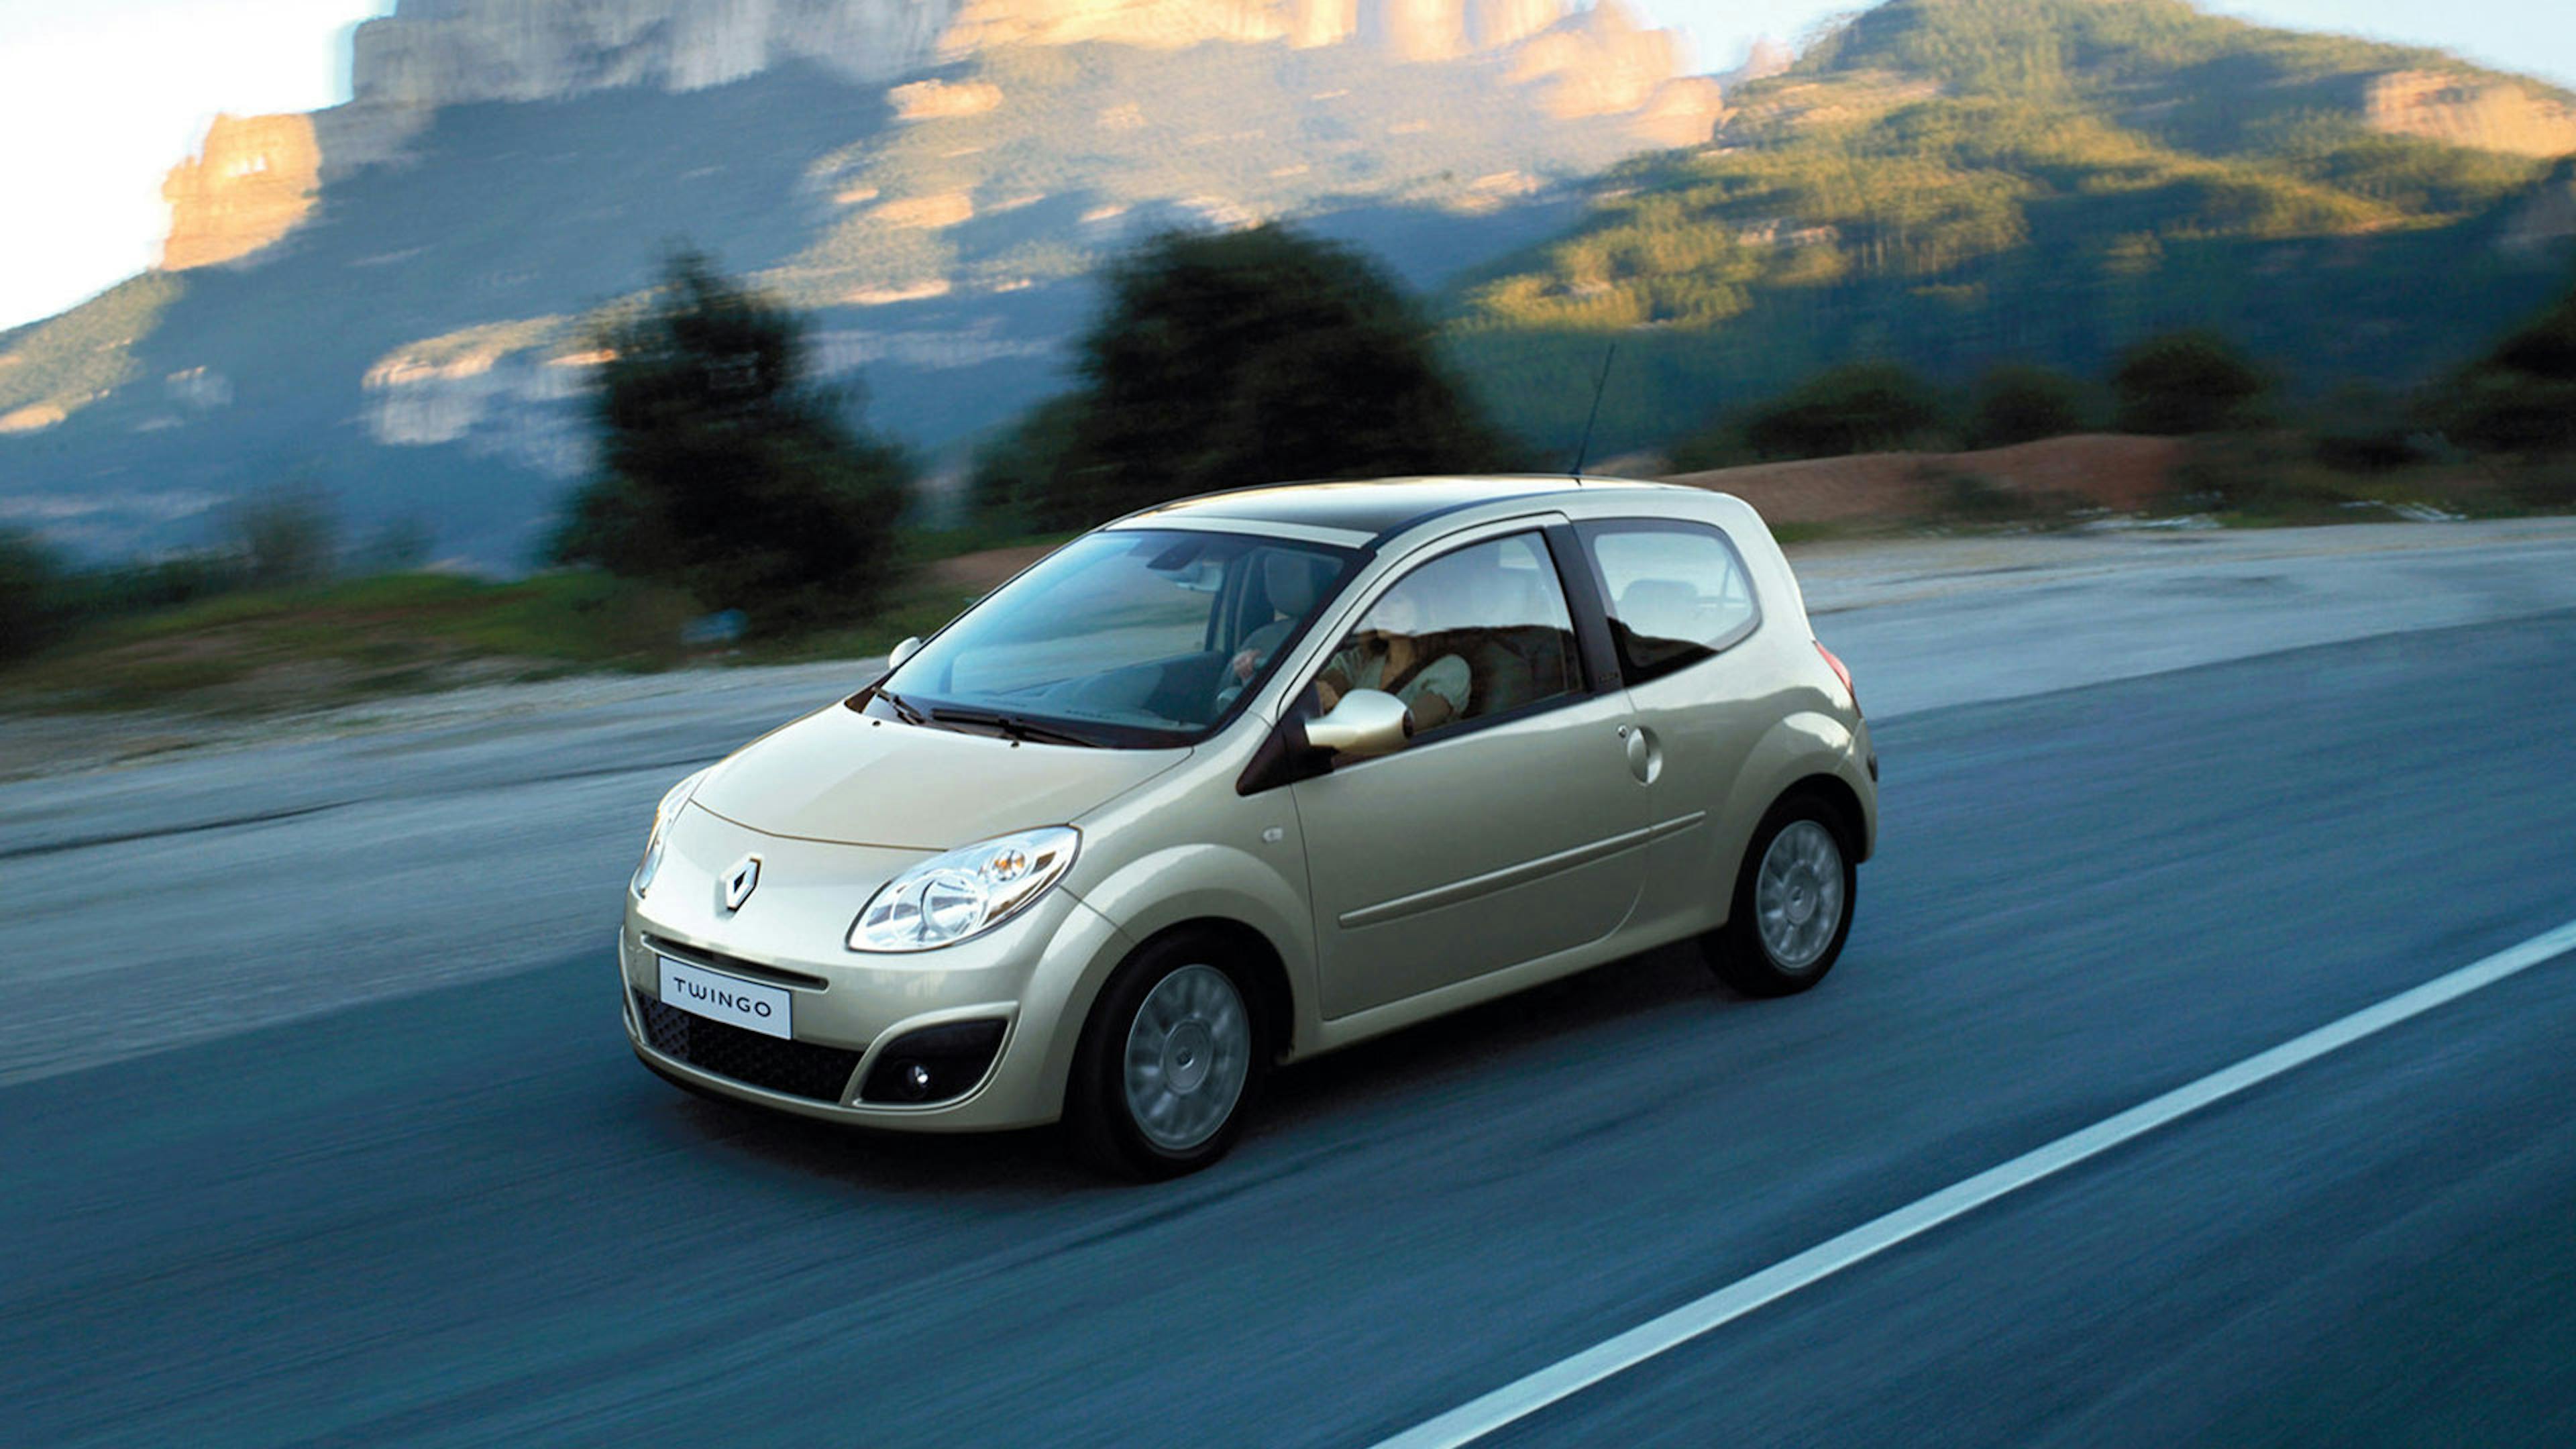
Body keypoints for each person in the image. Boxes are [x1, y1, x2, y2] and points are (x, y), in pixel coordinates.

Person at [1311, 584, 1469, 731]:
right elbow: (1329, 685)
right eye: (1378, 600)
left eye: (1395, 601)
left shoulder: (1451, 669)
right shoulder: (1362, 660)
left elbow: (1408, 726)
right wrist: (1323, 693)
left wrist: (1341, 709)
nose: (1380, 610)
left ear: (1423, 607)